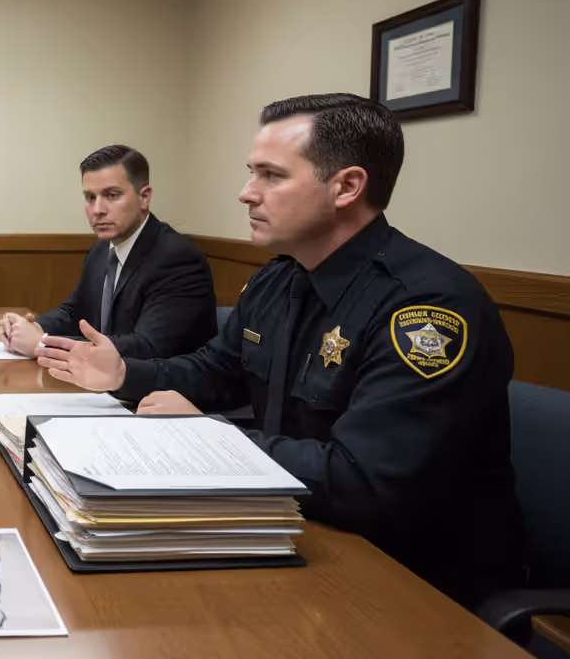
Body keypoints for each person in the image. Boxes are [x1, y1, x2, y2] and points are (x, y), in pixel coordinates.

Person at [36, 94, 524, 608]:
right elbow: (217, 370)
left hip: (414, 583)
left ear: (347, 187)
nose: (246, 194)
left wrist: (206, 433)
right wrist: (124, 374)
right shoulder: (280, 277)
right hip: (290, 529)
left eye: (271, 175)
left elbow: (363, 483)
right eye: (251, 173)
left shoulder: (426, 309)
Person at [0, 144, 216, 359]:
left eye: (111, 195)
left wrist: (43, 343)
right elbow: (74, 312)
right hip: (103, 385)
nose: (97, 210)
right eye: (90, 197)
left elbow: (148, 347)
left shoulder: (178, 259)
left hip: (158, 391)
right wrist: (27, 328)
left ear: (144, 197)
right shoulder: (101, 248)